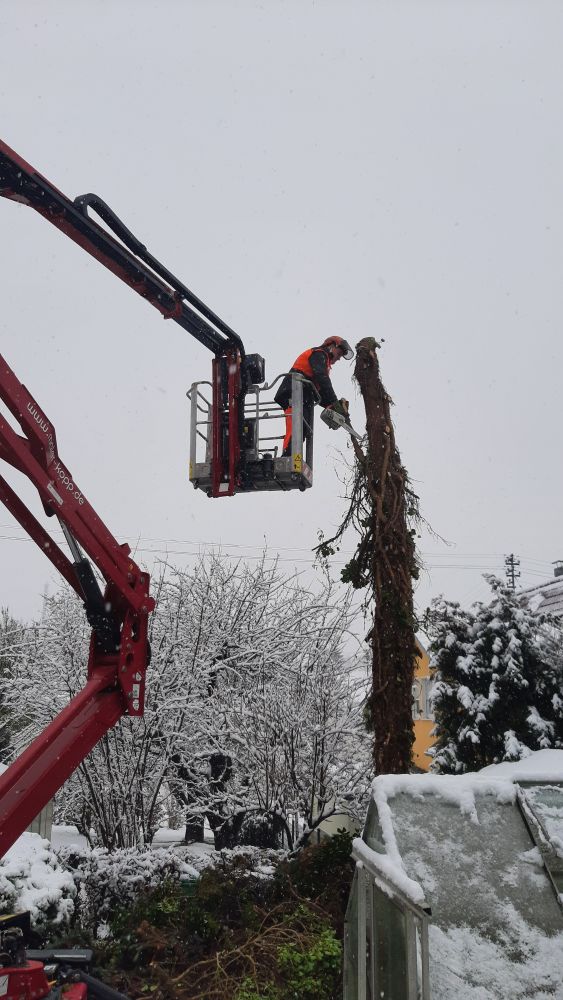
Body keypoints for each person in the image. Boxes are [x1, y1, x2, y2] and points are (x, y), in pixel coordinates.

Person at [274, 336, 354, 456]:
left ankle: (294, 458)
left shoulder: (323, 362)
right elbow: (323, 380)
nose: (339, 358)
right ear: (332, 346)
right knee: (297, 427)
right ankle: (287, 458)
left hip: (304, 396)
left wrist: (331, 405)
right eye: (339, 353)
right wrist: (335, 404)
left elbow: (320, 392)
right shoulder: (319, 354)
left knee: (304, 430)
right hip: (293, 392)